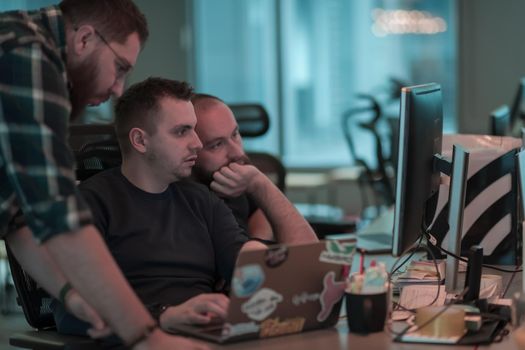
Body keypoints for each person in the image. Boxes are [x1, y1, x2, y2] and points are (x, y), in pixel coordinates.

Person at [0, 1, 206, 349]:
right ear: (84, 39)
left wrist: (70, 293)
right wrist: (147, 336)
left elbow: (18, 218)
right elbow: (59, 215)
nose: (118, 88)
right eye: (120, 67)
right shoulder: (28, 53)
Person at [53, 77, 267, 335]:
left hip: (203, 336)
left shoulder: (202, 201)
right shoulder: (90, 204)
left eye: (194, 129)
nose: (197, 143)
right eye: (181, 131)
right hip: (139, 340)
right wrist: (163, 317)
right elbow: (70, 313)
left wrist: (260, 257)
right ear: (140, 141)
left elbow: (245, 266)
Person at [191, 93, 318, 244]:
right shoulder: (197, 202)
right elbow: (305, 251)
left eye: (235, 134)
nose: (237, 152)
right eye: (217, 144)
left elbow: (259, 211)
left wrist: (258, 239)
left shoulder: (233, 177)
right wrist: (260, 184)